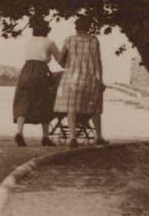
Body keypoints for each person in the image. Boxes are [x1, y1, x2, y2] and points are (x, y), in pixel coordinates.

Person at [53, 16, 109, 147]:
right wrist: (101, 80)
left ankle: (73, 138)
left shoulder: (69, 40)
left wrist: (65, 64)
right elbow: (97, 62)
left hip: (70, 78)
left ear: (76, 28)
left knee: (71, 107)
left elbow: (60, 59)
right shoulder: (94, 40)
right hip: (89, 77)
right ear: (88, 27)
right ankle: (99, 137)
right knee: (94, 107)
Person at [12, 17, 60, 146]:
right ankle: (45, 136)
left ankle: (19, 132)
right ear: (46, 32)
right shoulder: (49, 42)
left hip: (26, 69)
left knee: (23, 99)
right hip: (40, 70)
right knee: (43, 100)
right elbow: (60, 59)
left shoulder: (29, 42)